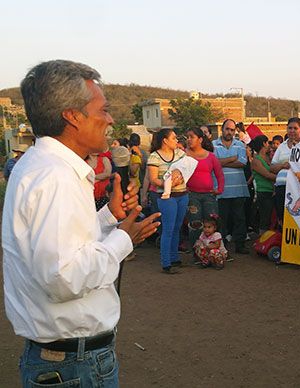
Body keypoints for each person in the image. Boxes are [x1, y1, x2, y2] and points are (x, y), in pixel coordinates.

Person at [2, 60, 160, 387]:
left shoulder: (38, 163)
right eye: (102, 109)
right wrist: (123, 239)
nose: (110, 119)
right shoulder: (56, 176)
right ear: (72, 116)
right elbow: (64, 278)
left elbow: (62, 247)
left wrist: (107, 218)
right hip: (76, 365)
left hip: (66, 360)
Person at [148, 128, 188, 274]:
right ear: (165, 140)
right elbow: (153, 179)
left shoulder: (180, 153)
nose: (176, 140)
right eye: (174, 138)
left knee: (176, 227)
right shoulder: (154, 157)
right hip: (167, 197)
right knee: (169, 229)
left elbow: (187, 168)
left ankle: (174, 257)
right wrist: (169, 184)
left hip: (182, 193)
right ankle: (166, 262)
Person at [213, 119, 250, 254]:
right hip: (221, 190)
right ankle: (221, 246)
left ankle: (240, 245)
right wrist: (231, 159)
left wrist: (222, 162)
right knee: (221, 219)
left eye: (232, 130)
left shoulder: (240, 145)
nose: (229, 132)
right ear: (222, 130)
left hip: (238, 189)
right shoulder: (213, 145)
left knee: (240, 218)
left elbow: (242, 163)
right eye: (227, 129)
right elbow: (214, 164)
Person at [271, 117, 300, 225]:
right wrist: (283, 165)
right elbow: (272, 167)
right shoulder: (282, 146)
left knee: (299, 217)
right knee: (282, 216)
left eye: (295, 128)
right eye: (290, 128)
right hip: (282, 187)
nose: (292, 131)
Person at [185, 127, 224, 247]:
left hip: (209, 195)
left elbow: (220, 174)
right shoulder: (184, 155)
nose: (189, 140)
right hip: (192, 195)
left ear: (200, 139)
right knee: (195, 224)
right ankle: (197, 252)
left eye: (192, 137)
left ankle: (214, 250)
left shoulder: (211, 156)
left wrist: (219, 190)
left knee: (212, 223)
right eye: (187, 137)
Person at [250, 135, 276, 234]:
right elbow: (267, 175)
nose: (269, 145)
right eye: (267, 142)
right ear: (264, 143)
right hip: (264, 192)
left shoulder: (268, 158)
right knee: (265, 218)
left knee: (271, 218)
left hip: (272, 192)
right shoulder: (256, 161)